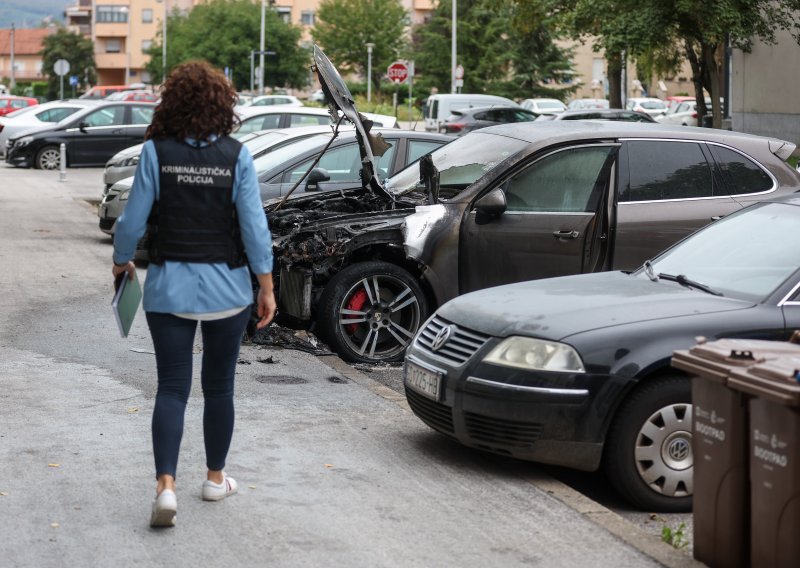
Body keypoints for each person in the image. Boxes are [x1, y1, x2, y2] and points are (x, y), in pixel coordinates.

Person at [111, 60, 276, 528]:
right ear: (223, 104)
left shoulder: (155, 153)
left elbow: (132, 222)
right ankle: (214, 478)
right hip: (228, 288)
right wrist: (265, 286)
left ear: (173, 103)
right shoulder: (237, 155)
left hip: (168, 289)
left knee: (172, 388)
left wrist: (122, 261)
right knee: (219, 386)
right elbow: (254, 228)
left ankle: (166, 487)